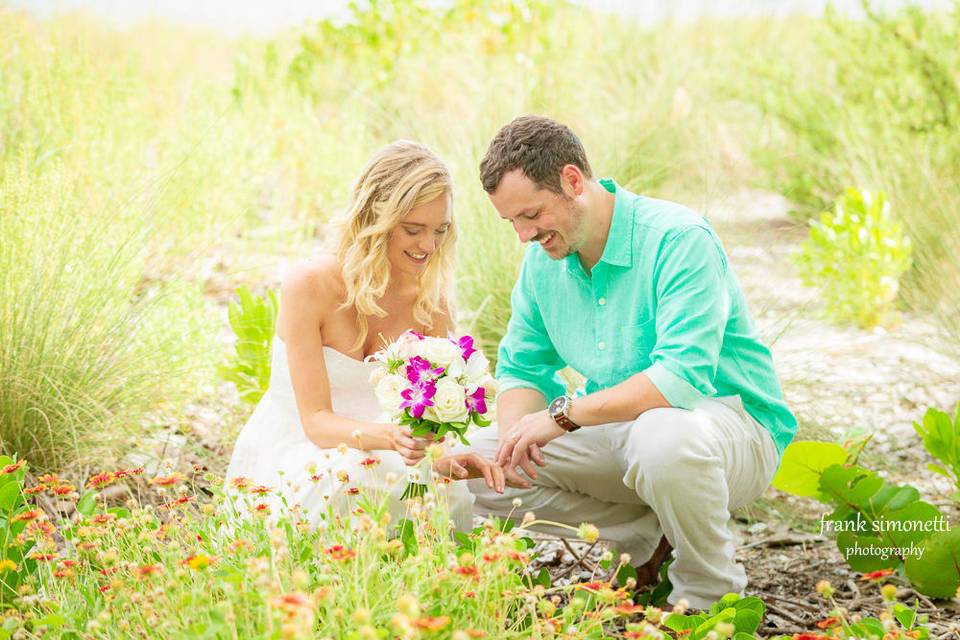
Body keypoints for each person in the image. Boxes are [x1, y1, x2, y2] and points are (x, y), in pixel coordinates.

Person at [457, 115, 798, 608]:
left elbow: (678, 381)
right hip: (619, 429)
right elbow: (523, 367)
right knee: (473, 464)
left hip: (726, 430)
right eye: (511, 221)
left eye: (531, 214)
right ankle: (643, 530)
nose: (523, 235)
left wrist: (559, 417)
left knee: (663, 436)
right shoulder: (542, 263)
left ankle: (708, 596)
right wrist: (515, 444)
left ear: (573, 181)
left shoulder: (679, 239)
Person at [226, 140, 504, 531]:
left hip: (386, 454)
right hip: (301, 451)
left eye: (440, 230)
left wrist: (444, 458)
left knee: (441, 493)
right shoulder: (309, 285)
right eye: (413, 230)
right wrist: (391, 438)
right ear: (376, 219)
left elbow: (424, 425)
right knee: (354, 482)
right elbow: (316, 422)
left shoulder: (430, 299)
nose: (429, 245)